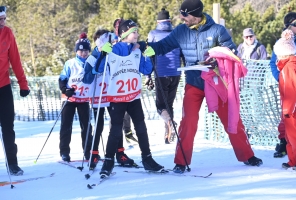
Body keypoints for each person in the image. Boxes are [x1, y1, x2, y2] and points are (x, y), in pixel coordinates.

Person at [142, 0, 263, 173]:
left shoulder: (217, 30)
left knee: (231, 118)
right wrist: (144, 46)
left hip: (215, 82)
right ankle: (181, 161)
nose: (182, 18)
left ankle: (247, 155)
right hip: (194, 83)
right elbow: (162, 46)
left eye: (185, 15)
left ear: (196, 15)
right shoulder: (181, 31)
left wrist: (215, 59)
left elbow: (231, 51)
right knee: (188, 122)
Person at [94, 19, 164, 177]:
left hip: (133, 97)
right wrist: (101, 53)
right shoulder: (112, 49)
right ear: (125, 34)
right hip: (117, 99)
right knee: (116, 131)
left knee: (141, 128)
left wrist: (149, 57)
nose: (137, 34)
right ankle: (109, 162)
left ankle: (147, 159)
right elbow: (98, 69)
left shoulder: (137, 50)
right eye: (134, 32)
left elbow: (146, 69)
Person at [83, 29, 135, 169]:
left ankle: (120, 154)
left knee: (116, 125)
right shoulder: (92, 58)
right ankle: (94, 154)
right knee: (98, 126)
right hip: (98, 97)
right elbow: (85, 79)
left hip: (112, 96)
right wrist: (93, 71)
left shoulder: (112, 55)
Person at [145, 8, 183, 144]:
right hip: (176, 73)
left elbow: (150, 55)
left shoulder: (153, 34)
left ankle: (171, 123)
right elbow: (182, 53)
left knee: (161, 106)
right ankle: (168, 135)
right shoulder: (176, 34)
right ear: (170, 21)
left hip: (161, 72)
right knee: (169, 104)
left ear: (158, 22)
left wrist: (148, 75)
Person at [0, 5, 30, 175]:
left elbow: (15, 60)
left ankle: (12, 163)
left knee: (8, 127)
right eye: (0, 20)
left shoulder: (7, 33)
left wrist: (23, 84)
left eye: (4, 19)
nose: (3, 22)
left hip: (3, 86)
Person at [58, 33, 93, 162]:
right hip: (70, 99)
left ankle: (88, 151)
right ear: (76, 51)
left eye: (86, 51)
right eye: (81, 50)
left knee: (87, 127)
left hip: (84, 100)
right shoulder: (70, 63)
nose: (83, 53)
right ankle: (64, 152)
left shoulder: (90, 63)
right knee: (66, 126)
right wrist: (65, 89)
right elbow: (62, 79)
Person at [270, 12, 296, 158]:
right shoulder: (282, 43)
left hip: (295, 83)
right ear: (288, 26)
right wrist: (281, 78)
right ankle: (285, 144)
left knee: (294, 120)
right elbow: (273, 63)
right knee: (286, 119)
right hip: (286, 82)